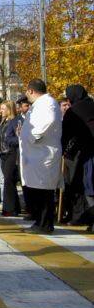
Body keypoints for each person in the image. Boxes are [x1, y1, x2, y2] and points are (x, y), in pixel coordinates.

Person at [19, 79, 62, 234]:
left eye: (26, 91)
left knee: (43, 191)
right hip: (36, 155)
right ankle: (40, 222)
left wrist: (33, 137)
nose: (26, 94)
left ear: (31, 91)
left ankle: (44, 224)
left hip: (43, 154)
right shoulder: (40, 104)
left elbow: (48, 120)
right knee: (37, 190)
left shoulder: (47, 102)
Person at [61, 85, 94, 232]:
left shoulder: (73, 111)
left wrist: (62, 151)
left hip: (88, 153)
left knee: (88, 186)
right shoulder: (92, 105)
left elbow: (66, 135)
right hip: (87, 151)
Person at [0, 100, 22, 216]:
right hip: (2, 154)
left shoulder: (16, 121)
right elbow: (0, 136)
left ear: (9, 109)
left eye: (3, 108)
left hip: (12, 153)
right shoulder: (3, 122)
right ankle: (15, 207)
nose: (1, 110)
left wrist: (9, 141)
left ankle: (9, 209)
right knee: (8, 180)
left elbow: (19, 138)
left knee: (8, 179)